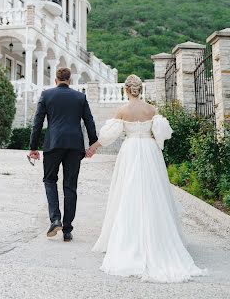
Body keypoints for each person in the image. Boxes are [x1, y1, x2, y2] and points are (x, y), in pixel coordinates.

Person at [87, 74, 207, 283]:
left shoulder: (122, 110)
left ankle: (130, 240)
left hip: (131, 150)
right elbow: (163, 133)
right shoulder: (152, 109)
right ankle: (160, 237)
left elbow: (109, 136)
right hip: (150, 152)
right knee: (154, 192)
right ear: (140, 89)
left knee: (128, 192)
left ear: (126, 90)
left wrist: (94, 148)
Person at [28, 67, 97, 242]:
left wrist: (33, 147)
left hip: (53, 144)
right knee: (70, 186)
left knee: (50, 180)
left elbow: (37, 122)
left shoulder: (47, 95)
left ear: (56, 80)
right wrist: (93, 144)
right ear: (70, 80)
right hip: (75, 146)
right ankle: (67, 230)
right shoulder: (80, 97)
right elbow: (89, 121)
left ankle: (55, 219)